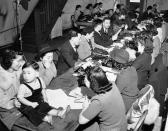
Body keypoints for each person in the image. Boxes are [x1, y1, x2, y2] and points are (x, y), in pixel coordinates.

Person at [17, 61, 67, 126]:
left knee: (45, 106)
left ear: (37, 74)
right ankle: (47, 119)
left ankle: (58, 113)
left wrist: (45, 97)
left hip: (37, 100)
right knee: (32, 112)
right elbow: (20, 98)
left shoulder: (40, 80)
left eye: (29, 73)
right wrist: (31, 104)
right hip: (26, 104)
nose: (26, 76)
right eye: (24, 73)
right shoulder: (23, 86)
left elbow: (43, 89)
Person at [78, 66, 127, 131]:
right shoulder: (112, 84)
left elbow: (81, 121)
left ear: (92, 83)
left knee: (83, 128)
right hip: (122, 125)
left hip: (111, 129)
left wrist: (85, 107)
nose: (84, 80)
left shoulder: (98, 101)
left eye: (85, 79)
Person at [0, 49, 25, 130]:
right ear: (9, 61)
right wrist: (13, 102)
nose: (21, 64)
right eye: (19, 61)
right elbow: (2, 102)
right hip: (6, 108)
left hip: (18, 99)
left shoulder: (15, 69)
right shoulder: (2, 77)